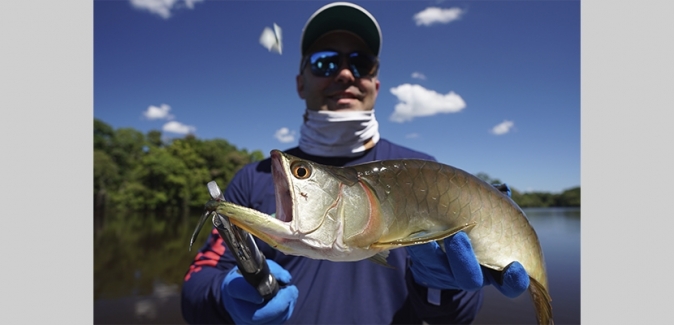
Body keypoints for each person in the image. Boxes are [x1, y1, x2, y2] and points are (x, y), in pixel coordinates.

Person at [181, 2, 529, 324]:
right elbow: (197, 285)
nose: (345, 74)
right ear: (301, 83)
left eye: (360, 62)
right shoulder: (253, 179)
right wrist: (223, 297)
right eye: (325, 61)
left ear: (375, 84)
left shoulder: (423, 170)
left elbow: (454, 318)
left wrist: (442, 287)